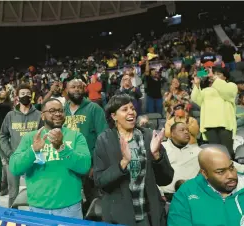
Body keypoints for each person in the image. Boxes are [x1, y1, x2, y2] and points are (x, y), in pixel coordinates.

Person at [93, 94, 174, 226]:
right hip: (119, 217)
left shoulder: (148, 136)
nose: (131, 112)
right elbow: (100, 181)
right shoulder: (104, 140)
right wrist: (123, 163)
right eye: (124, 109)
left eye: (132, 108)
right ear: (114, 116)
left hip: (149, 215)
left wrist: (157, 155)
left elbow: (166, 179)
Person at [9, 98, 91, 219]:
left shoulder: (76, 136)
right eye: (52, 111)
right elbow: (15, 168)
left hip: (70, 208)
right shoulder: (30, 138)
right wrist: (33, 150)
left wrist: (62, 148)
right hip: (38, 208)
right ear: (43, 116)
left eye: (60, 111)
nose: (57, 114)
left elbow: (84, 167)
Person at [168, 147, 244, 226]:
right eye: (221, 172)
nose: (230, 175)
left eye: (231, 167)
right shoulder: (186, 192)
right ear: (204, 173)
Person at [64, 78, 108, 212]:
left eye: (79, 87)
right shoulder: (61, 110)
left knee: (93, 203)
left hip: (89, 165)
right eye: (73, 87)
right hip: (67, 164)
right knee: (70, 202)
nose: (77, 89)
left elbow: (103, 137)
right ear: (66, 90)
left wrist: (95, 164)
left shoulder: (94, 108)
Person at [0, 83, 43, 207]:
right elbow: (2, 136)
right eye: (23, 94)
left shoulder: (39, 115)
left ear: (32, 96)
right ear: (17, 97)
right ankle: (13, 218)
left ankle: (34, 217)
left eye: (28, 94)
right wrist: (9, 153)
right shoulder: (10, 115)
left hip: (34, 159)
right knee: (13, 193)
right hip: (14, 158)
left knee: (36, 191)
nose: (26, 96)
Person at [191, 67, 238, 158]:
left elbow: (228, 93)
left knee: (227, 152)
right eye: (214, 74)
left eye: (218, 74)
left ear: (225, 77)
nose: (215, 76)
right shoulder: (206, 90)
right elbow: (196, 99)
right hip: (209, 124)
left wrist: (214, 78)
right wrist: (197, 85)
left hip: (224, 124)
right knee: (215, 153)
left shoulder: (231, 86)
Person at [160, 122, 202, 199]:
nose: (186, 132)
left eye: (187, 130)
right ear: (172, 133)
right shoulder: (161, 148)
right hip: (166, 196)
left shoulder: (198, 151)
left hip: (193, 195)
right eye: (182, 130)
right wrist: (159, 193)